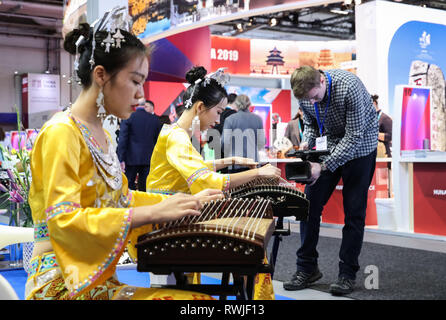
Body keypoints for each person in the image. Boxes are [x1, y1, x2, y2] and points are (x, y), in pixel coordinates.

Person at [25, 7, 222, 301]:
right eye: (135, 81)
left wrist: (181, 202)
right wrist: (155, 212)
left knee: (197, 300)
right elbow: (64, 220)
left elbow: (123, 199)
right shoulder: (61, 133)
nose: (141, 95)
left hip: (95, 281)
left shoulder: (101, 134)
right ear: (101, 75)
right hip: (60, 284)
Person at [146, 66, 281, 300]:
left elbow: (194, 169)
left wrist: (230, 159)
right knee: (168, 290)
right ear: (200, 108)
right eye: (218, 112)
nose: (219, 119)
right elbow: (204, 179)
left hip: (175, 214)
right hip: (167, 220)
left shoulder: (177, 133)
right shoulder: (176, 137)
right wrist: (258, 173)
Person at [284, 65, 378, 296]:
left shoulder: (349, 87)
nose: (312, 102)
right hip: (329, 148)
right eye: (307, 99)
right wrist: (308, 143)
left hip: (361, 148)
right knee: (308, 206)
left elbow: (354, 136)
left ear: (321, 82)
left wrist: (323, 165)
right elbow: (312, 125)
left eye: (314, 97)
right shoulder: (307, 95)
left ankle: (347, 274)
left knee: (354, 212)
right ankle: (307, 268)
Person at [117, 98, 161, 191]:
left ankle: (131, 205)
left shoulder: (128, 117)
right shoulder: (154, 119)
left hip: (131, 157)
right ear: (144, 105)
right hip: (149, 158)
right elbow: (158, 140)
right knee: (145, 186)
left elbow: (123, 139)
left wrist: (121, 158)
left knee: (128, 186)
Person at [222, 94, 266, 173]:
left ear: (236, 104)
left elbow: (225, 142)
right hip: (253, 163)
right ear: (249, 104)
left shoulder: (230, 119)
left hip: (235, 164)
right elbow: (262, 142)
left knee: (236, 185)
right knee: (254, 185)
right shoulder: (258, 119)